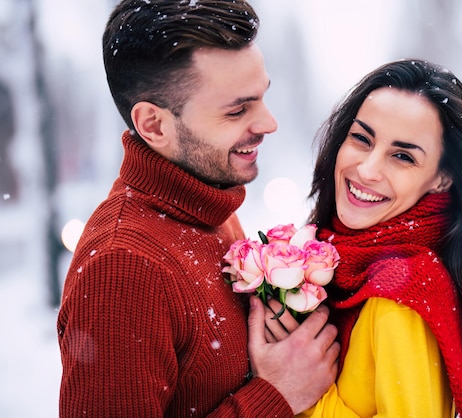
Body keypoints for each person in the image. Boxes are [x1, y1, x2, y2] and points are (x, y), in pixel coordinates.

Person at [56, 1, 339, 417]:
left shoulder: (208, 204)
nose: (269, 123)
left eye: (262, 97)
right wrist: (273, 398)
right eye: (237, 109)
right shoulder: (123, 269)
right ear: (154, 125)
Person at [268, 58, 462, 417]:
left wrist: (288, 391)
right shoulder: (340, 259)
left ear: (441, 179)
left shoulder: (401, 296)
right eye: (361, 139)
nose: (367, 169)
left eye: (402, 156)